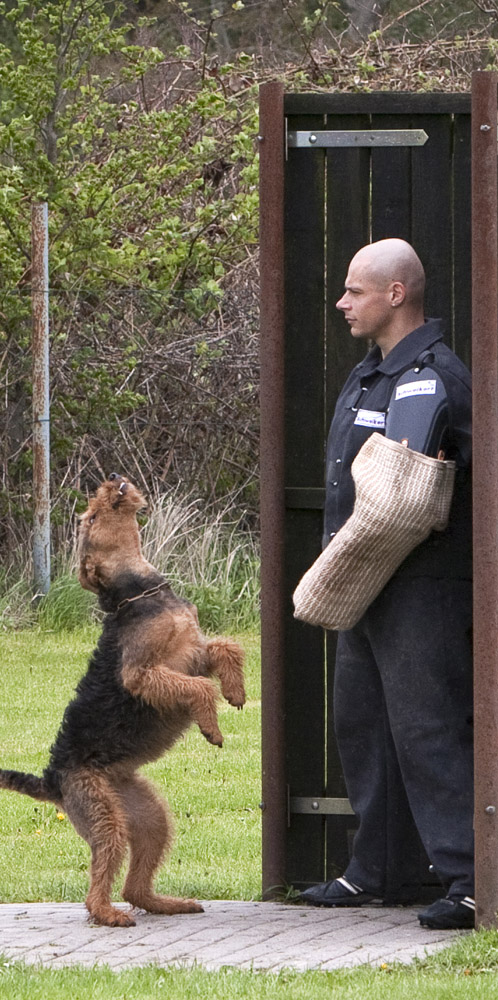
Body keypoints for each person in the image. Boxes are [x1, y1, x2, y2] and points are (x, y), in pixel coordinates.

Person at [299, 239, 474, 930]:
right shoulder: (374, 373)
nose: (343, 302)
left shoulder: (431, 377)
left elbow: (405, 500)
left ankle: (468, 879)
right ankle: (377, 871)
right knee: (365, 726)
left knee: (428, 730)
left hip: (418, 590)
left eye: (356, 291)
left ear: (396, 294)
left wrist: (339, 573)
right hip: (369, 587)